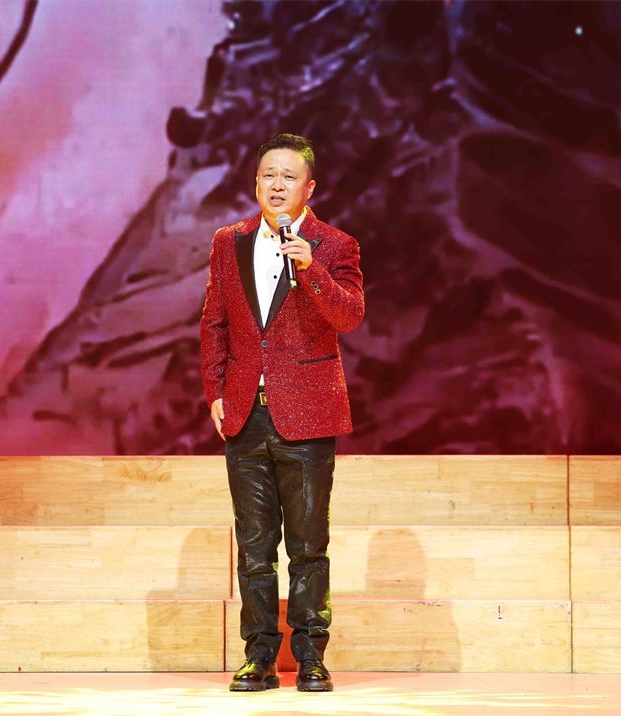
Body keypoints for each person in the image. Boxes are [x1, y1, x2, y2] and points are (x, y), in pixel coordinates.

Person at [200, 133, 364, 692]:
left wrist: (311, 268)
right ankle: (259, 656)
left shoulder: (335, 245)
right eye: (268, 175)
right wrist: (216, 390)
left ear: (308, 188)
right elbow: (215, 321)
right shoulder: (230, 241)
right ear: (256, 183)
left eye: (288, 177)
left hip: (309, 415)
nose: (277, 185)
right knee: (254, 547)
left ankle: (311, 656)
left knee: (307, 546)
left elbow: (350, 316)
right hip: (246, 413)